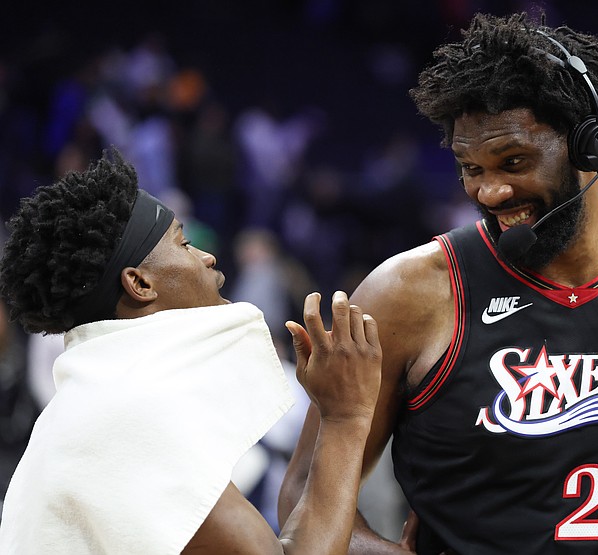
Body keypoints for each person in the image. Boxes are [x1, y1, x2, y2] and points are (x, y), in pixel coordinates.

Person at [279, 10, 598, 554]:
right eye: (472, 168)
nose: (490, 192)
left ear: (590, 149)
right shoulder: (407, 293)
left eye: (513, 162)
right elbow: (304, 500)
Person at [0, 148, 383, 555]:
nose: (207, 256)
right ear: (140, 284)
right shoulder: (124, 414)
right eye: (184, 245)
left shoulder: (97, 400)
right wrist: (344, 416)